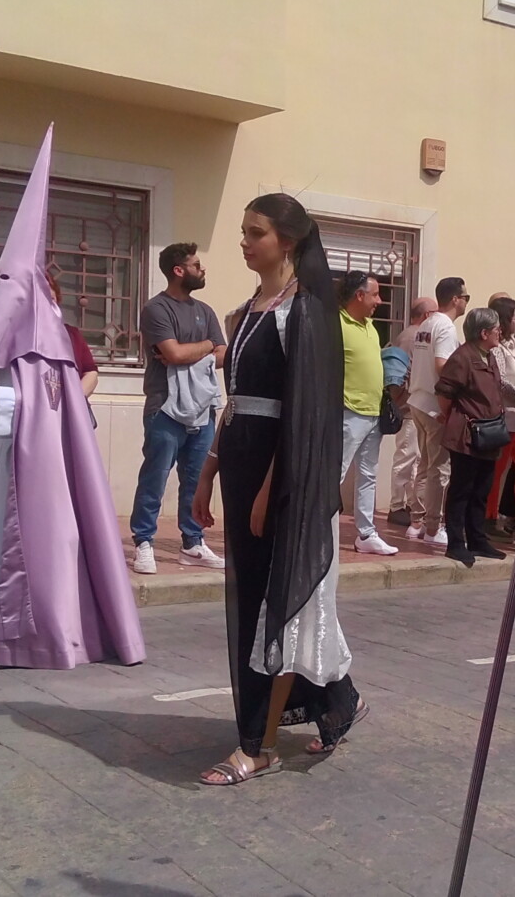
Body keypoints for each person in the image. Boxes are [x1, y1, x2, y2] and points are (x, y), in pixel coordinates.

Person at [0, 125, 144, 669]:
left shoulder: (48, 343)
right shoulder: (5, 341)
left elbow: (47, 410)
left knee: (10, 545)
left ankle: (10, 631)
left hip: (28, 473)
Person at [192, 192, 366, 786]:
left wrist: (272, 489)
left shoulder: (307, 313)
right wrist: (207, 477)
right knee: (252, 601)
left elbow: (304, 416)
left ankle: (258, 744)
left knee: (276, 606)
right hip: (241, 467)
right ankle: (336, 701)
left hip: (280, 478)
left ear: (287, 241)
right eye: (243, 230)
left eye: (255, 232)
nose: (244, 241)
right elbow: (234, 403)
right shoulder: (245, 312)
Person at [129, 242, 228, 574]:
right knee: (155, 477)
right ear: (178, 270)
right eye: (197, 265)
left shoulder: (206, 310)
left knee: (195, 479)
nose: (203, 270)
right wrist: (204, 347)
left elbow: (223, 355)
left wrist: (192, 351)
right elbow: (172, 354)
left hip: (203, 409)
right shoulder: (157, 309)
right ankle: (143, 542)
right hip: (165, 407)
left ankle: (193, 543)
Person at [435, 307, 508, 568]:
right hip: (466, 435)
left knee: (481, 490)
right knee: (461, 489)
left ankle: (477, 539)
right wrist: (454, 418)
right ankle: (456, 542)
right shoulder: (462, 357)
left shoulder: (490, 356)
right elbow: (444, 393)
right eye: (496, 328)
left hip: (489, 435)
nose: (500, 331)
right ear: (484, 332)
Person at [338, 270, 398, 556]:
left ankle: (366, 533)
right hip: (348, 412)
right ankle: (319, 527)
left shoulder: (371, 327)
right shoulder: (336, 324)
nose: (380, 300)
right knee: (335, 473)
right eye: (375, 294)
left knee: (368, 475)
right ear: (359, 295)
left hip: (373, 413)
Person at [406, 277, 469, 546]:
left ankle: (416, 522)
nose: (467, 301)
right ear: (455, 299)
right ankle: (433, 527)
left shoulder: (428, 323)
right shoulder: (444, 326)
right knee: (439, 470)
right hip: (434, 405)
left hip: (418, 400)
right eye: (465, 296)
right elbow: (443, 365)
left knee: (424, 465)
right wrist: (460, 389)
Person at [386, 297, 436, 527]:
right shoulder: (411, 336)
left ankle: (406, 503)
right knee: (406, 456)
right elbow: (400, 373)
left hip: (413, 406)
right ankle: (396, 505)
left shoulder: (416, 334)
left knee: (413, 457)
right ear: (426, 315)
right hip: (408, 407)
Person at [485, 295, 515, 536]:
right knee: (496, 472)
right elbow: (502, 382)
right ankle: (489, 518)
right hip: (505, 419)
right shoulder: (498, 349)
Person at [45, 272, 98, 398]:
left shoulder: (72, 335)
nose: (47, 305)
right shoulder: (19, 336)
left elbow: (90, 372)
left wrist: (74, 400)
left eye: (51, 299)